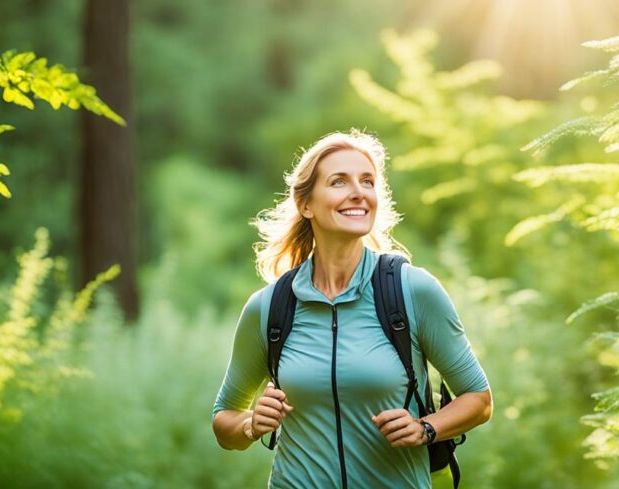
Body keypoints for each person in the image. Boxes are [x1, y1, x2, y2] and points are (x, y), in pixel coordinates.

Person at [211, 130, 493, 488]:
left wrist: (426, 428)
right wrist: (251, 424)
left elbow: (479, 400)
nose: (358, 192)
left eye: (367, 181)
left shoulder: (412, 291)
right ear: (306, 204)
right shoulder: (269, 307)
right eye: (339, 181)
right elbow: (224, 421)